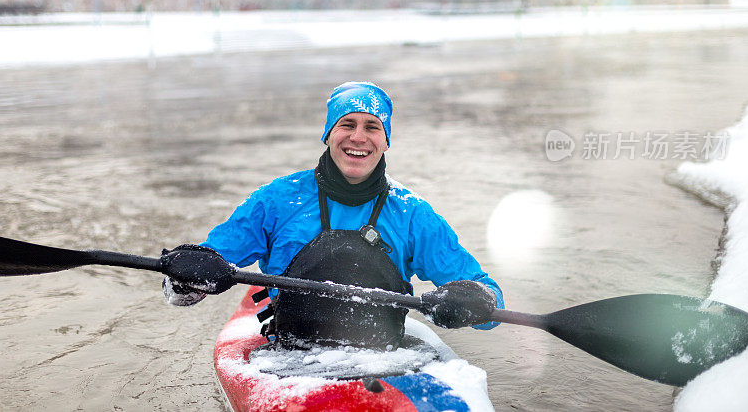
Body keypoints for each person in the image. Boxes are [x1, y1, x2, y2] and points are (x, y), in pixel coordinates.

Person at [162, 81, 503, 349]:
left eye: (372, 127)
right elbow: (179, 294)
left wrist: (476, 300)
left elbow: (492, 306)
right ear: (328, 135)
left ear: (385, 140)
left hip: (382, 353)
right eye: (347, 124)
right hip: (291, 351)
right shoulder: (276, 201)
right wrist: (185, 279)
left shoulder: (412, 213)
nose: (359, 137)